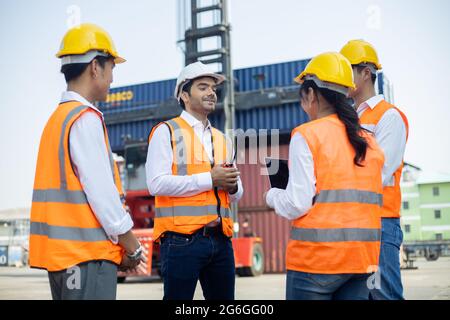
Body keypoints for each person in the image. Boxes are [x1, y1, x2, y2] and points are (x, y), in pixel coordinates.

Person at [29, 23, 145, 300]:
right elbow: (103, 196)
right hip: (86, 258)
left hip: (64, 260)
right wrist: (133, 247)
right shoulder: (84, 119)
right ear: (95, 66)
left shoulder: (57, 120)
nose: (113, 78)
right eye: (112, 68)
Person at [265, 52, 385, 300]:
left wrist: (273, 195)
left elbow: (297, 203)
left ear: (311, 95)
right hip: (364, 261)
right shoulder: (370, 142)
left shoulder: (307, 134)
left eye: (303, 99)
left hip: (317, 262)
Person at [145, 61, 243, 300]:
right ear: (184, 95)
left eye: (213, 88)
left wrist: (232, 185)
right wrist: (210, 179)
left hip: (221, 241)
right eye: (202, 87)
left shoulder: (223, 139)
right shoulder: (165, 132)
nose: (211, 92)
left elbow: (237, 192)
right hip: (181, 242)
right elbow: (156, 183)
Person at [340, 39, 409, 300]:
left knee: (383, 295)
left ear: (366, 73)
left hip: (380, 222)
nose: (343, 80)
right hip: (355, 222)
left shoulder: (388, 116)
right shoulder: (351, 118)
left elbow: (379, 171)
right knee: (363, 295)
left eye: (349, 72)